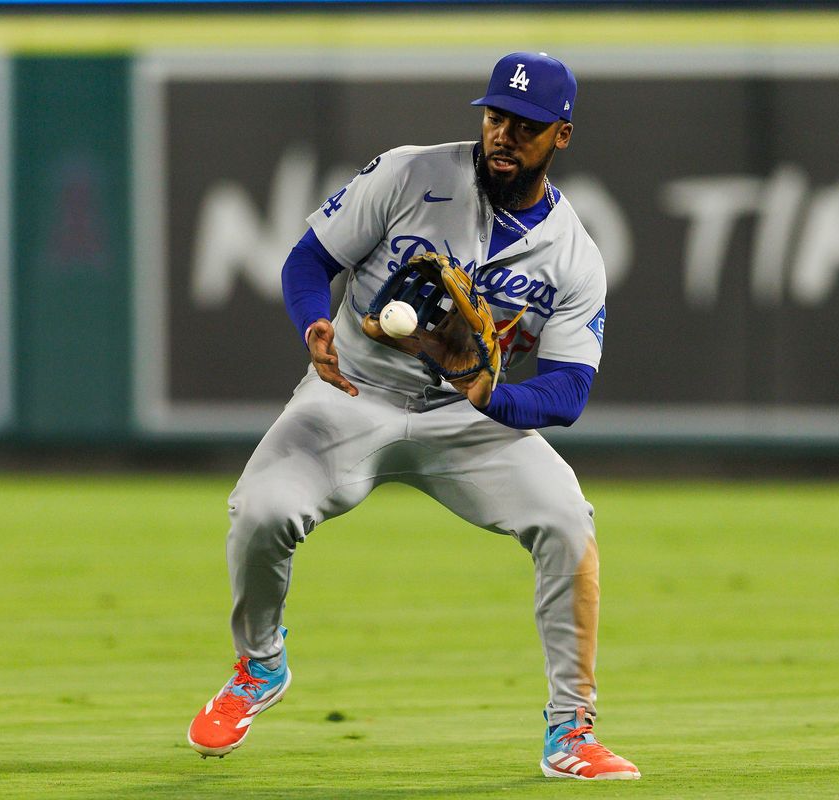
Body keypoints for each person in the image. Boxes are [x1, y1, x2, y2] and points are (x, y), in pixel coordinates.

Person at [187, 52, 640, 781]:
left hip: (467, 420)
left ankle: (572, 731)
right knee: (260, 512)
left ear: (561, 135)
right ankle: (260, 665)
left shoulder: (574, 256)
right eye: (495, 116)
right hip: (352, 393)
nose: (502, 135)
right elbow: (308, 262)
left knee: (566, 522)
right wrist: (314, 327)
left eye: (524, 126)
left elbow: (567, 392)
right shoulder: (409, 173)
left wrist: (494, 399)